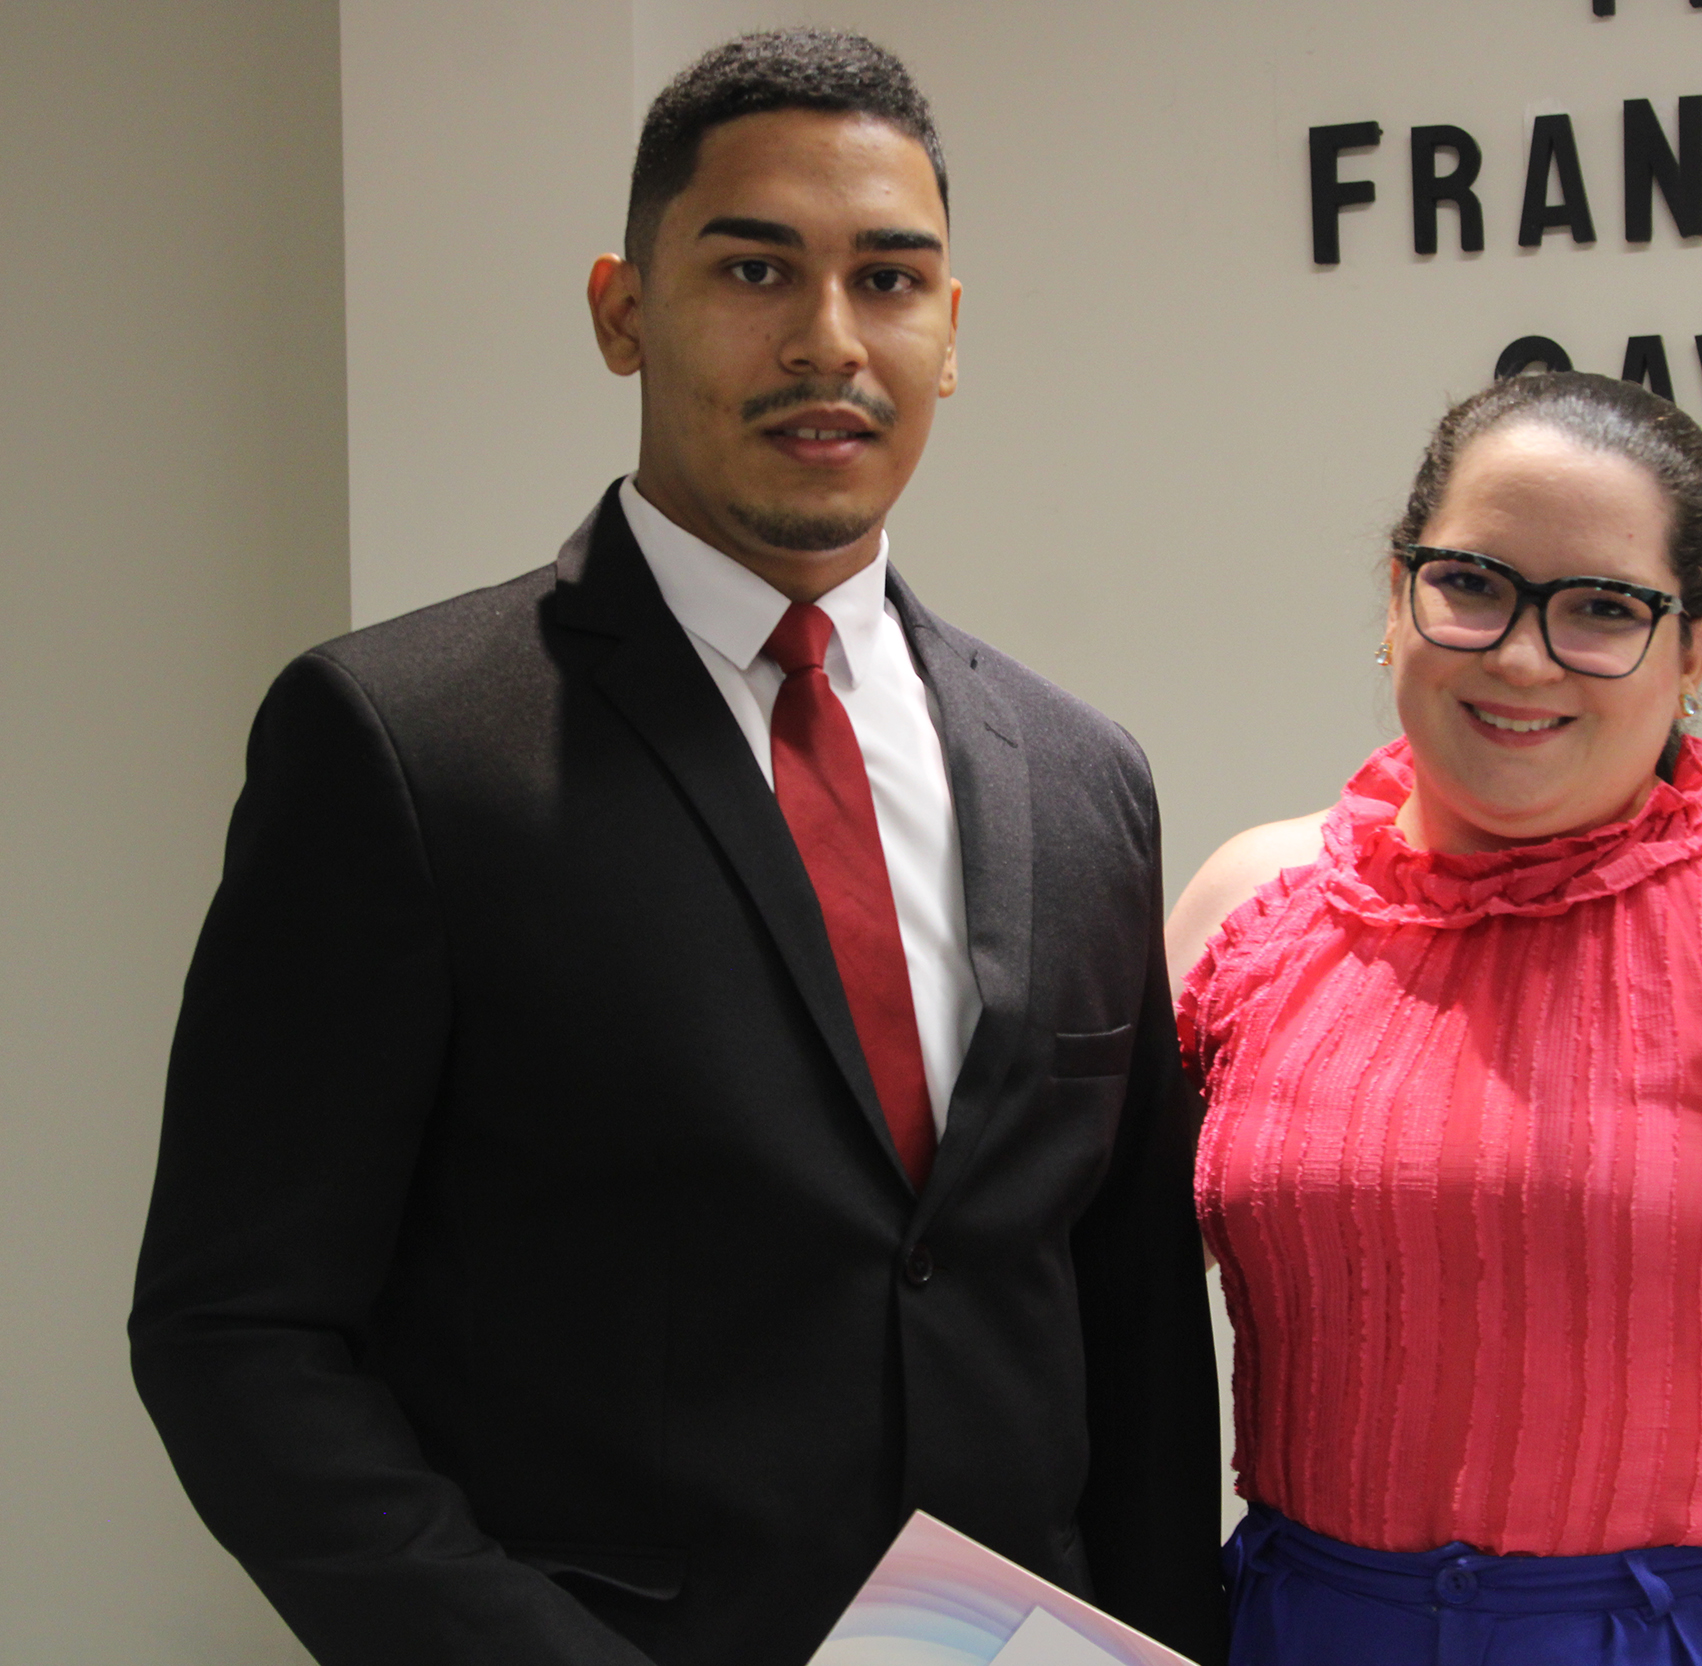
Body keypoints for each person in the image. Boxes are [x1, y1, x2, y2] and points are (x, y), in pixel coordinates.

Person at [130, 30, 1225, 1666]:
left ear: (950, 333)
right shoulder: (403, 747)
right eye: (755, 268)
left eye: (888, 280)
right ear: (622, 310)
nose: (828, 339)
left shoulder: (1084, 780)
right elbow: (236, 1330)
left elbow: (1134, 1333)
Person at [1167, 372, 1702, 1665]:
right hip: (1304, 1631)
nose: (1522, 655)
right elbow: (1072, 1310)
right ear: (1396, 596)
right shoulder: (1251, 905)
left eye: (1601, 609)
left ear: (1693, 651)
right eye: (1472, 584)